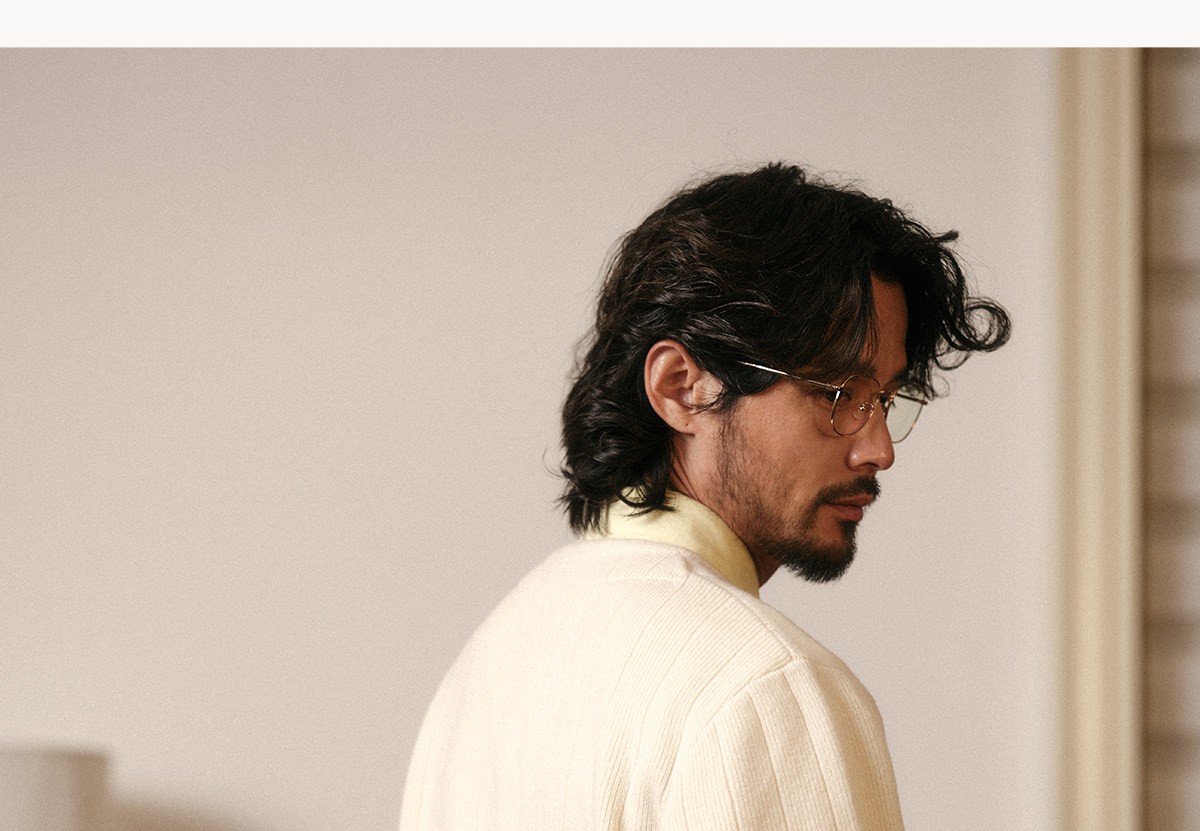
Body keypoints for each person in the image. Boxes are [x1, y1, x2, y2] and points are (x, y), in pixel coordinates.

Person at [398, 163, 1010, 830]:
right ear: (681, 388)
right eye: (837, 393)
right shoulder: (766, 686)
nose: (879, 448)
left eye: (886, 399)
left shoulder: (482, 673)